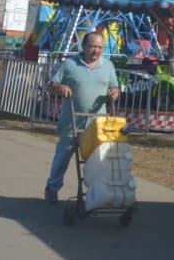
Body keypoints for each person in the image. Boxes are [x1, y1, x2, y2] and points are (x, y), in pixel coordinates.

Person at [44, 31, 120, 204]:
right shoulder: (70, 64)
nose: (96, 50)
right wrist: (60, 88)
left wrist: (114, 92)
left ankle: (95, 193)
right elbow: (51, 85)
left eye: (99, 47)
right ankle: (52, 188)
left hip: (97, 125)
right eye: (92, 46)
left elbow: (115, 87)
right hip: (71, 122)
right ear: (83, 46)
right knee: (62, 158)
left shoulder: (108, 66)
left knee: (97, 162)